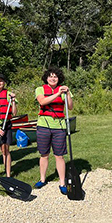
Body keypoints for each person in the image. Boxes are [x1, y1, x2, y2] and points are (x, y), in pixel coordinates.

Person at [34, 67, 73, 195]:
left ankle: (62, 182)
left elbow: (70, 107)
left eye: (55, 77)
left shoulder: (64, 90)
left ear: (59, 79)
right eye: (50, 76)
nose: (53, 78)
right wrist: (57, 93)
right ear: (46, 78)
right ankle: (42, 179)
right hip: (43, 125)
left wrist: (67, 94)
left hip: (59, 127)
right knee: (44, 154)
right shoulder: (40, 89)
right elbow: (42, 101)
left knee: (59, 155)